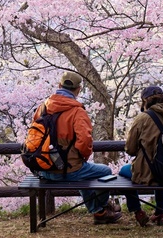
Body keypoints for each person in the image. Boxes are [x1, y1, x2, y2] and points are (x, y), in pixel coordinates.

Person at [34, 71, 121, 224]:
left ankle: (100, 211)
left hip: (43, 168)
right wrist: (81, 158)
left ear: (59, 86)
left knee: (82, 173)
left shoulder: (42, 108)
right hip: (66, 171)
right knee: (104, 172)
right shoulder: (77, 112)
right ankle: (100, 209)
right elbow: (85, 142)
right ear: (78, 89)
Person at [120, 85, 163, 227]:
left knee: (123, 172)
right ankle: (160, 213)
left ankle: (138, 211)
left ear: (145, 101)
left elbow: (130, 149)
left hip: (147, 173)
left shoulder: (143, 118)